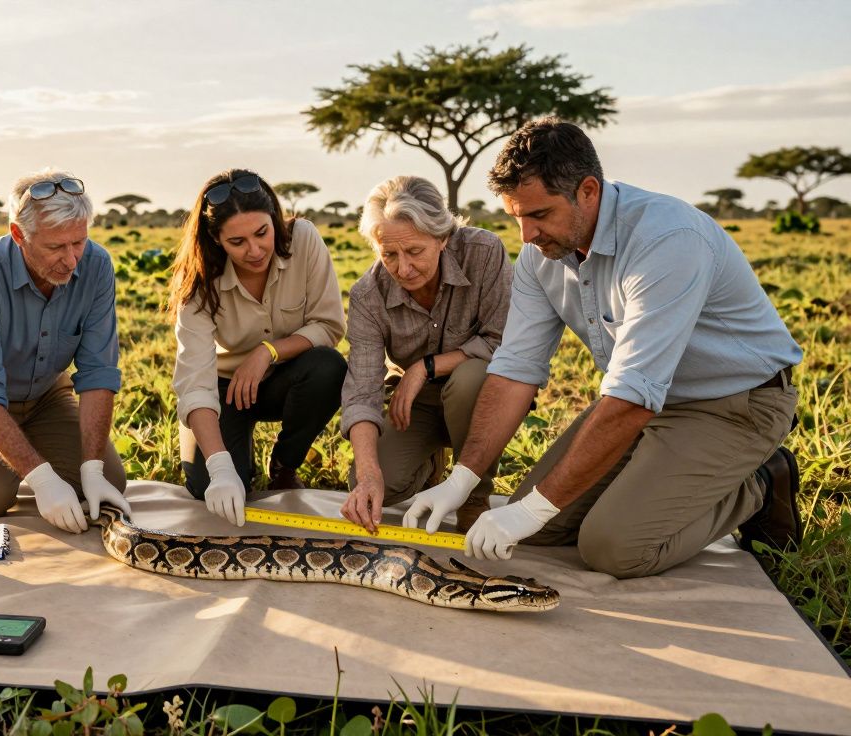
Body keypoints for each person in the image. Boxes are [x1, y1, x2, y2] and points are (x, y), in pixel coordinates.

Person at [405, 117, 803, 578]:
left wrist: (532, 509)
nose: (526, 237)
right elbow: (515, 367)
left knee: (613, 548)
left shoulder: (667, 241)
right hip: (645, 402)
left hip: (733, 403)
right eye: (516, 218)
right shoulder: (542, 256)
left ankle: (755, 482)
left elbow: (633, 394)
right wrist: (463, 479)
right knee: (540, 530)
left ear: (588, 192)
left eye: (538, 215)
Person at [0, 169, 129, 534]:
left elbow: (98, 372)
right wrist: (42, 480)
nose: (71, 260)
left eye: (78, 242)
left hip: (45, 393)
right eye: (55, 247)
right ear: (18, 234)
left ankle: (33, 448)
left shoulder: (97, 265)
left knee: (109, 481)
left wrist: (93, 469)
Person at [170, 169, 346, 527]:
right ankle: (236, 462)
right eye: (237, 242)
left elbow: (329, 326)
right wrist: (219, 467)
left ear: (275, 221)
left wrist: (267, 351)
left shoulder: (304, 239)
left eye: (262, 233)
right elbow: (195, 385)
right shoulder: (198, 282)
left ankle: (285, 464)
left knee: (328, 366)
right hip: (224, 390)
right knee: (205, 487)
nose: (254, 250)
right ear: (216, 240)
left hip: (287, 376)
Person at [339, 175, 512, 534]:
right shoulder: (367, 295)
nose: (403, 269)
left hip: (478, 393)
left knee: (470, 378)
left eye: (415, 251)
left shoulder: (484, 251)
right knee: (379, 484)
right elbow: (362, 391)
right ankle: (431, 463)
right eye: (389, 254)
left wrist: (425, 367)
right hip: (416, 403)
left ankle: (475, 496)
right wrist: (368, 475)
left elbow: (505, 342)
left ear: (443, 237)